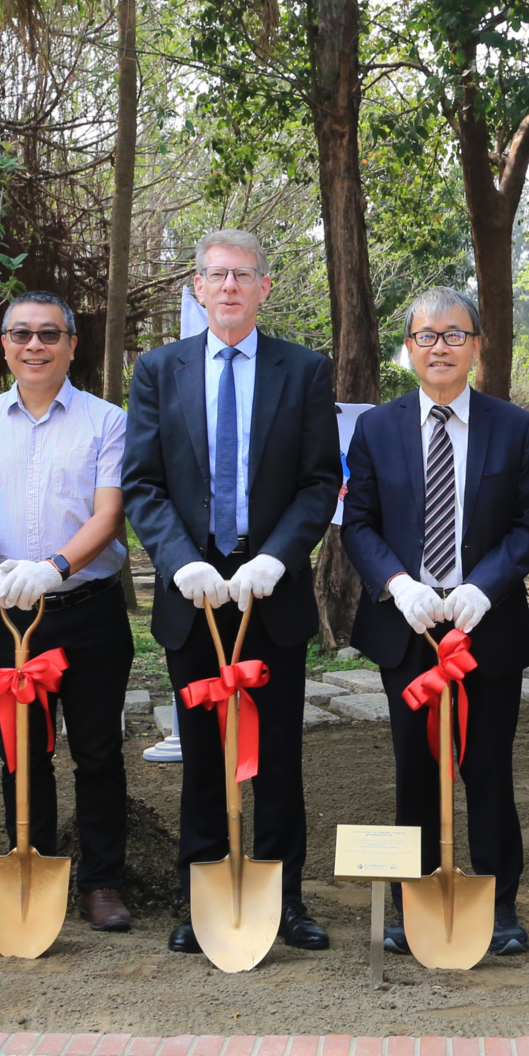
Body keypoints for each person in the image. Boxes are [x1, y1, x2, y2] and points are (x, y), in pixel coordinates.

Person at [122, 228, 342, 955]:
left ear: (263, 288)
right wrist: (179, 560)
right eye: (215, 276)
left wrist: (278, 557)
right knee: (203, 750)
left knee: (277, 751)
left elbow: (319, 481)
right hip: (194, 589)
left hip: (267, 587)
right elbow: (143, 483)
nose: (228, 287)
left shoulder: (303, 370)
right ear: (195, 286)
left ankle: (285, 897)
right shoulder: (159, 370)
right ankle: (203, 894)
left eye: (242, 275)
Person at [341, 287, 529, 958]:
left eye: (453, 334)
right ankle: (412, 901)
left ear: (476, 346)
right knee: (415, 768)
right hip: (408, 628)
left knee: (486, 766)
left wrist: (484, 588)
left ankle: (500, 900)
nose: (439, 347)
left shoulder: (512, 427)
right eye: (426, 336)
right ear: (408, 348)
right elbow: (360, 524)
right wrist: (397, 585)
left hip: (484, 625)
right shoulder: (376, 428)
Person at [0, 290, 135, 932]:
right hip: (11, 615)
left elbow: (109, 515)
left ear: (72, 345)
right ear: (3, 344)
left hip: (89, 610)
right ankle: (35, 862)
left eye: (49, 335)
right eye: (21, 334)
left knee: (99, 752)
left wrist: (53, 566)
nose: (35, 346)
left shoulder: (108, 421)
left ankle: (103, 880)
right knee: (21, 751)